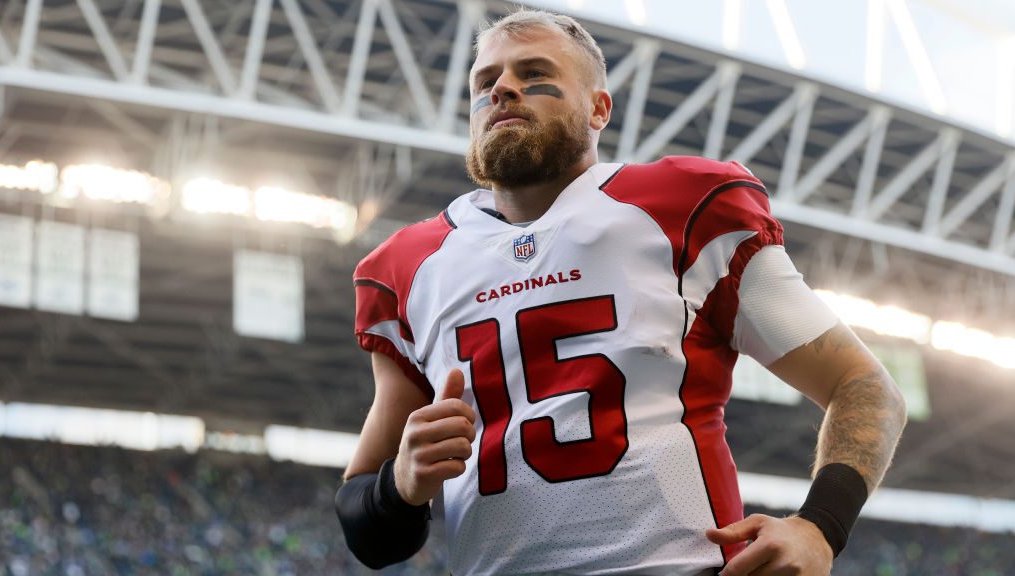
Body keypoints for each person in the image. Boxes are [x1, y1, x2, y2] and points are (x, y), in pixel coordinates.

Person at [335, 9, 907, 576]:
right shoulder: (407, 267)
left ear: (598, 108)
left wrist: (820, 526)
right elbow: (368, 531)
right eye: (485, 82)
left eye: (534, 73)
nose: (504, 88)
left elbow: (864, 386)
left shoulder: (683, 208)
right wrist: (400, 484)